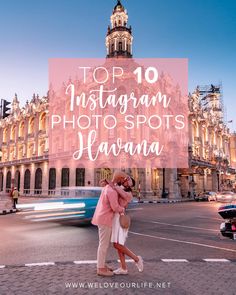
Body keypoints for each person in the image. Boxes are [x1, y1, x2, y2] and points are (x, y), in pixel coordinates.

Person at [92, 171, 127, 277]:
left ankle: (102, 264)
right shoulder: (111, 190)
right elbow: (115, 207)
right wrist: (123, 209)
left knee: (103, 244)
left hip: (103, 217)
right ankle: (100, 269)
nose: (123, 182)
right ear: (119, 178)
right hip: (105, 219)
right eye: (123, 179)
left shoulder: (108, 187)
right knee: (103, 244)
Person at [109, 176, 144, 275]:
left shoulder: (128, 194)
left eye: (128, 180)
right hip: (115, 218)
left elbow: (120, 193)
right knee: (118, 245)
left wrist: (114, 185)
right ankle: (123, 268)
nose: (126, 179)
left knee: (118, 244)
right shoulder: (120, 188)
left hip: (120, 219)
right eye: (126, 178)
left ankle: (137, 259)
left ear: (131, 185)